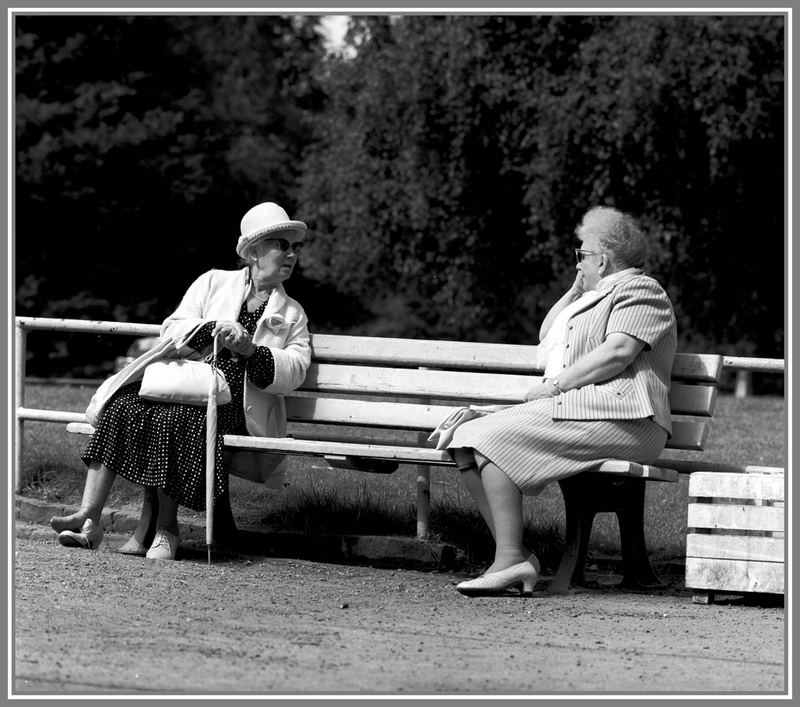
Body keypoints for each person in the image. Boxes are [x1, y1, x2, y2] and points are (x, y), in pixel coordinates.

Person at [50, 202, 312, 560]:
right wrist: (210, 330)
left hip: (235, 404)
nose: (291, 254)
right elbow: (171, 329)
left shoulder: (293, 312)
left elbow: (295, 370)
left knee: (179, 417)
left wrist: (251, 350)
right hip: (190, 383)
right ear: (253, 251)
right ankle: (89, 516)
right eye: (282, 244)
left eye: (295, 247)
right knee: (122, 404)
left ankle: (165, 529)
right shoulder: (212, 281)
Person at [445, 206, 677, 596]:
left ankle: (511, 560)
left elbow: (618, 352)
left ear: (602, 260)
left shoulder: (642, 289)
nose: (577, 262)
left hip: (629, 416)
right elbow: (549, 332)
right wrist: (576, 289)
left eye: (581, 255)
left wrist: (555, 387)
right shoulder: (594, 296)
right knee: (466, 439)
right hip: (593, 409)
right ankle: (512, 558)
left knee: (485, 435)